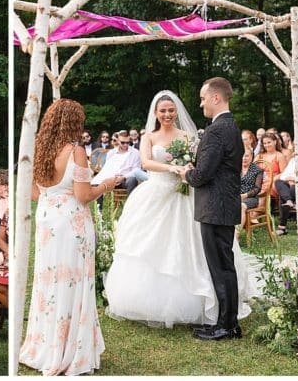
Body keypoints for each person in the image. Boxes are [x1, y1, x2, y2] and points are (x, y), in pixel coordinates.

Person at [104, 90, 253, 331]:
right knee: (152, 245)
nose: (167, 115)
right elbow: (145, 163)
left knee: (194, 245)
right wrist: (170, 168)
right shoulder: (149, 137)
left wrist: (186, 169)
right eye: (162, 111)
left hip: (186, 194)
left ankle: (208, 302)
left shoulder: (187, 136)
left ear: (177, 112)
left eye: (171, 110)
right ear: (155, 113)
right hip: (157, 192)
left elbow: (200, 163)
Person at [20, 98, 113, 376]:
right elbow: (84, 195)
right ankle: (69, 350)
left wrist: (53, 196)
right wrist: (106, 184)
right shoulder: (76, 151)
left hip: (47, 220)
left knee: (48, 282)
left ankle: (46, 345)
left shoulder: (39, 150)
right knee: (73, 282)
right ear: (75, 123)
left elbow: (33, 193)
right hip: (72, 223)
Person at [179, 77, 247, 341]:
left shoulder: (217, 130)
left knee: (221, 268)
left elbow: (203, 174)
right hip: (223, 206)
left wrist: (188, 173)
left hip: (216, 208)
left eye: (203, 97)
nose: (201, 103)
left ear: (216, 98)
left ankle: (227, 326)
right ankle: (227, 322)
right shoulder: (231, 126)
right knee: (224, 266)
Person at [256, 133, 290, 200]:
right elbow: (253, 170)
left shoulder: (280, 156)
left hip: (273, 181)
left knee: (269, 188)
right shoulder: (259, 156)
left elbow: (284, 173)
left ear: (275, 142)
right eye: (264, 143)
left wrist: (271, 179)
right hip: (260, 181)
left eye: (269, 142)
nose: (267, 145)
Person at [239, 150, 265, 225]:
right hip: (236, 197)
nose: (244, 158)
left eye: (247, 156)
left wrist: (245, 195)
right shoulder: (236, 168)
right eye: (242, 156)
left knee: (241, 206)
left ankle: (236, 235)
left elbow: (257, 188)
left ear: (251, 157)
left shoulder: (257, 170)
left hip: (251, 198)